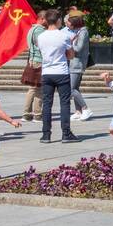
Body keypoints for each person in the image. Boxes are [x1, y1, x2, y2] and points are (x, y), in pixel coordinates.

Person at [37, 8, 78, 143]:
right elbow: (71, 55)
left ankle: (46, 134)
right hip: (61, 71)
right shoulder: (63, 36)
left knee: (47, 104)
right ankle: (66, 133)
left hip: (47, 72)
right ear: (58, 20)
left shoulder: (41, 36)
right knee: (64, 103)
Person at [65, 9, 93, 120]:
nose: (67, 23)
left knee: (71, 89)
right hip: (73, 63)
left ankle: (86, 109)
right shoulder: (78, 31)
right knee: (75, 88)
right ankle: (78, 111)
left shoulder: (83, 32)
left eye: (69, 21)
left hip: (77, 64)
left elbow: (79, 48)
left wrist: (67, 46)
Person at [22, 13, 46, 121]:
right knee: (38, 88)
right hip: (39, 60)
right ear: (42, 18)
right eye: (46, 19)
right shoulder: (40, 31)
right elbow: (41, 46)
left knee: (32, 88)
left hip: (33, 59)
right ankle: (37, 114)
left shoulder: (31, 29)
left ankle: (27, 113)